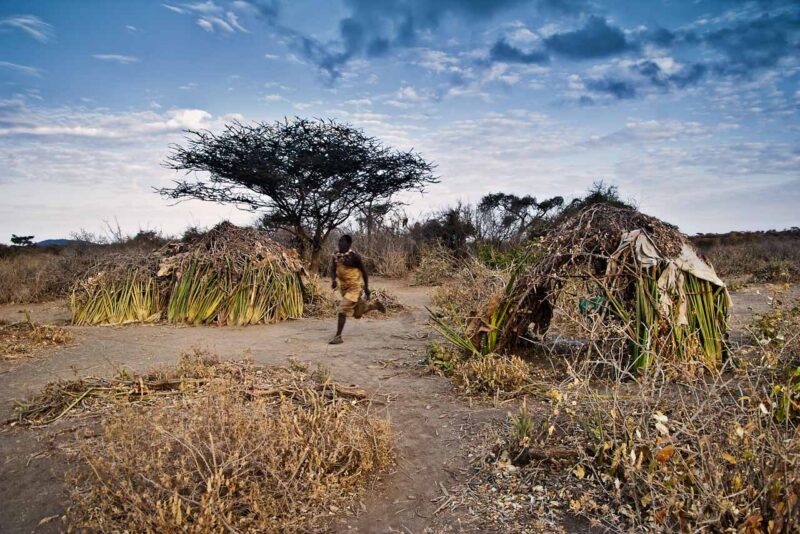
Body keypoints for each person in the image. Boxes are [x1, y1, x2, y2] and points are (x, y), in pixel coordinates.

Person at [329, 235, 385, 344]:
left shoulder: (354, 257)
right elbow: (332, 269)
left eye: (343, 242)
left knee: (342, 309)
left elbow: (364, 272)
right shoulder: (336, 256)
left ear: (349, 244)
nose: (340, 244)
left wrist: (367, 288)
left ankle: (338, 336)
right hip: (344, 288)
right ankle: (374, 306)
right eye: (339, 241)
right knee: (357, 314)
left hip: (354, 288)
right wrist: (333, 280)